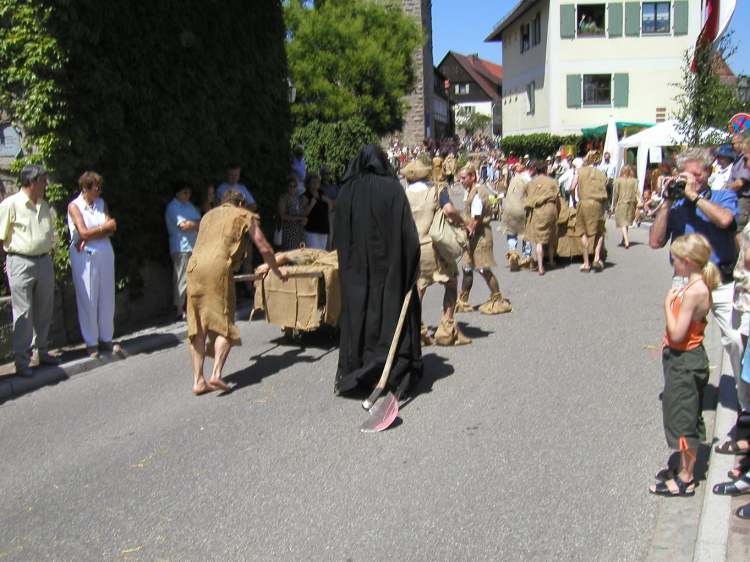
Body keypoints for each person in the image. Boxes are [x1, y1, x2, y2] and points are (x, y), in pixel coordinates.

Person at [650, 148, 746, 453]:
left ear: (706, 173)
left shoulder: (719, 196)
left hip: (720, 280)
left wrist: (695, 197)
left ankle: (746, 407)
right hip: (687, 281)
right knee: (680, 343)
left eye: (698, 173)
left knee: (735, 340)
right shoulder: (675, 201)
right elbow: (655, 241)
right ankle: (688, 394)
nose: (693, 178)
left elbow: (725, 220)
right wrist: (667, 202)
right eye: (688, 174)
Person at [334, 144, 422, 396]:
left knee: (358, 317)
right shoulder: (393, 190)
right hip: (390, 272)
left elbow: (337, 235)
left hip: (355, 271)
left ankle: (357, 371)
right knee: (388, 316)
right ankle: (392, 373)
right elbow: (409, 236)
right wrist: (411, 265)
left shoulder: (346, 192)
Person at [186, 190, 287, 395]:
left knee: (198, 325)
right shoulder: (244, 215)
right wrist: (277, 270)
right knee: (225, 324)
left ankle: (198, 381)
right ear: (241, 203)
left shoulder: (207, 216)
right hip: (217, 267)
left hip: (194, 268)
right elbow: (264, 247)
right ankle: (215, 374)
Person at [649, 233, 716, 497]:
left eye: (675, 260)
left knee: (684, 417)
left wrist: (667, 304)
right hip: (680, 359)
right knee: (683, 412)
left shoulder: (695, 292)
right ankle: (684, 466)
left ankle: (686, 477)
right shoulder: (692, 285)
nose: (673, 263)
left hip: (685, 360)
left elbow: (678, 334)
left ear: (687, 262)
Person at [402, 159, 470, 347]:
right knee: (451, 282)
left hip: (413, 249)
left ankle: (417, 331)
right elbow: (448, 210)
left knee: (419, 290)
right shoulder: (436, 191)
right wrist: (462, 222)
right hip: (434, 247)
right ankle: (446, 329)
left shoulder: (403, 194)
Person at [0, 164, 60, 376]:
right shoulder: (10, 204)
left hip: (43, 261)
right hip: (20, 262)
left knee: (44, 309)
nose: (46, 185)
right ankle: (22, 362)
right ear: (32, 182)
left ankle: (41, 351)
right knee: (23, 313)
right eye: (43, 181)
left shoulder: (43, 205)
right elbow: (1, 237)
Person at [67, 171, 120, 358]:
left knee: (107, 296)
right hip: (85, 255)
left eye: (99, 188)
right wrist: (102, 229)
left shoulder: (101, 203)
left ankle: (106, 338)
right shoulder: (74, 206)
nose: (98, 192)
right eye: (95, 188)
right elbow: (83, 233)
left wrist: (97, 231)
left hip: (105, 252)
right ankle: (91, 342)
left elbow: (112, 227)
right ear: (85, 188)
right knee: (88, 297)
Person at [455, 164, 512, 315]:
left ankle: (497, 297)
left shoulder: (478, 193)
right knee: (466, 268)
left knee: (483, 268)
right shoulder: (469, 192)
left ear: (472, 177)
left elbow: (476, 219)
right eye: (460, 178)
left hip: (480, 236)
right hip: (472, 237)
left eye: (463, 178)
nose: (461, 181)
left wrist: (465, 232)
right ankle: (463, 300)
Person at [165, 180, 201, 320]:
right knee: (182, 278)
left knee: (195, 278)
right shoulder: (173, 207)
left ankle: (192, 307)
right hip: (181, 248)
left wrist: (195, 224)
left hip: (193, 246)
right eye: (185, 192)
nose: (188, 195)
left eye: (189, 192)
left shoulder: (189, 205)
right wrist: (196, 224)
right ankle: (179, 310)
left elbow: (199, 221)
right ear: (178, 193)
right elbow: (184, 226)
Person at [572, 150, 608, 272]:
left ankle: (586, 262)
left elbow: (572, 187)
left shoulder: (580, 171)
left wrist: (574, 199)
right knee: (599, 232)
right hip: (598, 203)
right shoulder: (601, 174)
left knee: (583, 232)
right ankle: (597, 258)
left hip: (584, 202)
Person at [525, 161, 561, 276]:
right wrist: (558, 212)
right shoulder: (552, 181)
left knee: (539, 240)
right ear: (546, 170)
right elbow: (557, 198)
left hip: (538, 210)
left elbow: (528, 198)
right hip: (550, 208)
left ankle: (540, 267)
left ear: (536, 170)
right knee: (550, 237)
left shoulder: (531, 183)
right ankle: (551, 261)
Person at [500, 161, 531, 271]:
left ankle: (512, 253)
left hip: (509, 209)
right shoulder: (526, 178)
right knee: (525, 232)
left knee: (511, 232)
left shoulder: (512, 179)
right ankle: (527, 256)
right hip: (521, 208)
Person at [611, 165, 640, 248]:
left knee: (623, 222)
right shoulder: (634, 181)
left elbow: (615, 193)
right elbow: (637, 191)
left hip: (622, 203)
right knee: (626, 221)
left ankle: (626, 241)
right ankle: (623, 239)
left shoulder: (618, 181)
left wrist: (613, 204)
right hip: (631, 203)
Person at [277, 175, 307, 251]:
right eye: (290, 186)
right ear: (287, 187)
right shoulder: (283, 198)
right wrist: (299, 218)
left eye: (294, 186)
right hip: (288, 232)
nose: (292, 188)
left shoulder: (298, 198)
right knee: (289, 255)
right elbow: (282, 216)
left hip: (299, 232)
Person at [302, 173, 332, 249]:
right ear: (308, 184)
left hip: (323, 229)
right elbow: (303, 214)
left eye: (318, 182)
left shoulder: (322, 194)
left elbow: (330, 207)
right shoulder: (306, 196)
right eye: (313, 182)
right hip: (311, 230)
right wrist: (311, 204)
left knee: (322, 255)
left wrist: (328, 202)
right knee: (313, 254)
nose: (316, 185)